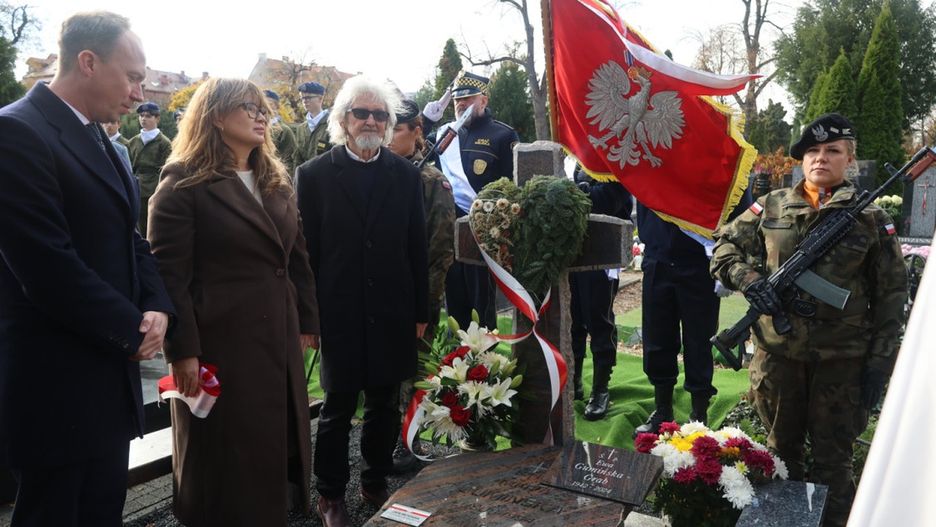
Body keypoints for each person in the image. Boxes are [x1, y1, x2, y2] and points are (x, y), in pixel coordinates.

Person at [0, 12, 174, 526]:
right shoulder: (17, 131)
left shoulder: (102, 140)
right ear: (88, 62)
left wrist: (157, 307)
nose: (140, 90)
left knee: (102, 510)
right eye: (134, 75)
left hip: (108, 379)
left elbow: (130, 237)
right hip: (55, 383)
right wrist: (132, 330)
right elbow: (46, 265)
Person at [710, 113, 907, 527]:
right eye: (812, 151)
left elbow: (892, 297)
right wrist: (750, 281)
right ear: (801, 160)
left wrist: (879, 364)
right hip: (778, 359)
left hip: (842, 363)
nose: (820, 158)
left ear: (849, 159)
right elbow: (724, 248)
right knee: (780, 455)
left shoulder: (870, 218)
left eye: (832, 151)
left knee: (834, 462)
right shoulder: (771, 205)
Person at [147, 78, 320, 527]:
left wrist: (307, 320)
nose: (262, 116)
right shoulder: (182, 183)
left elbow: (297, 258)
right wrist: (182, 351)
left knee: (273, 449)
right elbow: (170, 277)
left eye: (265, 109)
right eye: (250, 107)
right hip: (221, 346)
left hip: (277, 338)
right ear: (216, 115)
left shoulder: (275, 180)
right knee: (226, 464)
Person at [296, 76, 429, 527]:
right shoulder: (313, 176)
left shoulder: (406, 176)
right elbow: (305, 252)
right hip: (339, 310)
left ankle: (374, 480)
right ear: (342, 120)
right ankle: (330, 493)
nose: (371, 120)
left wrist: (421, 312)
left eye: (380, 115)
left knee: (384, 402)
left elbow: (418, 248)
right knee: (337, 405)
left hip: (392, 308)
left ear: (390, 124)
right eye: (361, 113)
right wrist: (307, 316)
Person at [387, 99, 456, 472]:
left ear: (417, 133)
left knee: (413, 372)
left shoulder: (431, 182)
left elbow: (440, 251)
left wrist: (425, 307)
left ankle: (409, 442)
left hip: (416, 299)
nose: (387, 135)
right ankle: (384, 435)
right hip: (382, 295)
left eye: (396, 129)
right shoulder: (381, 174)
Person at [432, 71, 519, 330]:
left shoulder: (503, 135)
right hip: (449, 231)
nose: (461, 105)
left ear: (484, 100)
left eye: (468, 99)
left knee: (482, 308)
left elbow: (512, 186)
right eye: (458, 100)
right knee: (455, 303)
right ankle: (456, 360)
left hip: (483, 232)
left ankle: (485, 365)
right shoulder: (444, 135)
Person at [570, 170, 632, 420]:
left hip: (602, 250)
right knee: (572, 320)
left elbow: (609, 199)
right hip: (572, 251)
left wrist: (575, 193)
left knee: (599, 320)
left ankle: (600, 389)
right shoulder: (575, 158)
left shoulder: (612, 158)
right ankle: (574, 381)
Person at [128, 101, 172, 234]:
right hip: (136, 185)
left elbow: (167, 168)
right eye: (141, 115)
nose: (143, 119)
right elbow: (128, 164)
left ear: (157, 118)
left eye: (148, 116)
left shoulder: (164, 142)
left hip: (155, 186)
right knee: (137, 223)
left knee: (152, 224)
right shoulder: (133, 141)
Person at [293, 81, 331, 167]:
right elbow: (297, 159)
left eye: (308, 97)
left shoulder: (332, 125)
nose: (305, 101)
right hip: (304, 177)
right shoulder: (301, 129)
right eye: (302, 98)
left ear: (320, 98)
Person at [264, 89, 298, 176]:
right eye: (263, 104)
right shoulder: (256, 127)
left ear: (276, 106)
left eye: (269, 104)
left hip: (275, 178)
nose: (266, 107)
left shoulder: (284, 131)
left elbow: (290, 163)